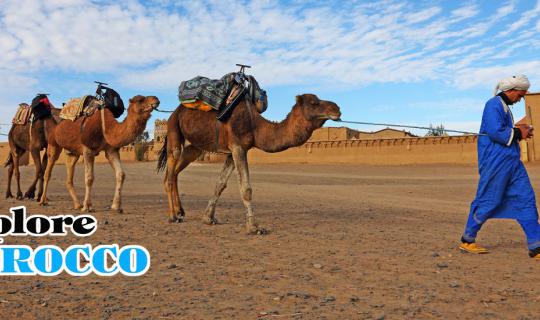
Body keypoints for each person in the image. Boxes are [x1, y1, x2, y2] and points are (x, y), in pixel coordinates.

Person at [460, 74, 540, 259]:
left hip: (512, 162)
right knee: (489, 200)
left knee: (526, 198)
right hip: (496, 162)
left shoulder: (505, 108)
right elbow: (496, 133)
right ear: (511, 91)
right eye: (519, 95)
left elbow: (506, 132)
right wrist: (519, 132)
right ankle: (467, 239)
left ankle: (536, 246)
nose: (520, 99)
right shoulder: (493, 104)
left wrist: (520, 132)